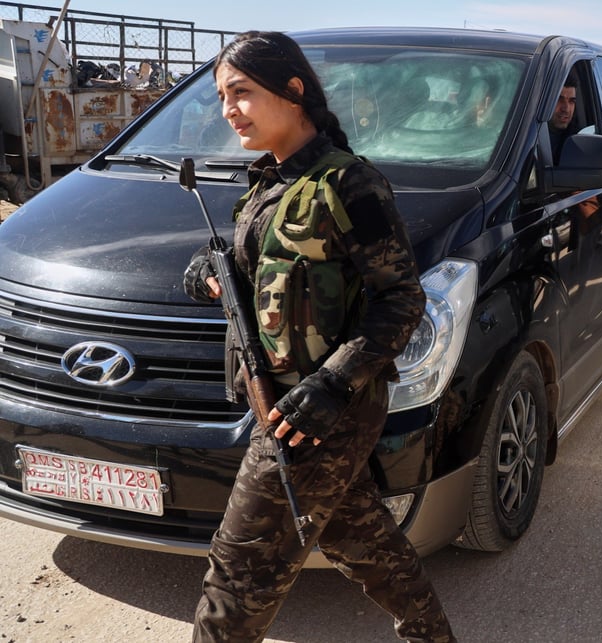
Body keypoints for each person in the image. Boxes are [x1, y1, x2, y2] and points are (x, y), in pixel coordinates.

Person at [182, 31, 455, 642]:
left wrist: (332, 385)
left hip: (322, 411)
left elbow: (401, 299)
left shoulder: (349, 184)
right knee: (361, 536)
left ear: (294, 90)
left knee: (238, 572)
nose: (229, 109)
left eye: (243, 92)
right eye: (223, 95)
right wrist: (211, 276)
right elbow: (266, 279)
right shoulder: (267, 186)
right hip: (278, 400)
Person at [548, 77, 579, 164]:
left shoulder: (577, 143)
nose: (566, 108)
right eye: (559, 99)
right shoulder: (525, 134)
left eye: (571, 101)